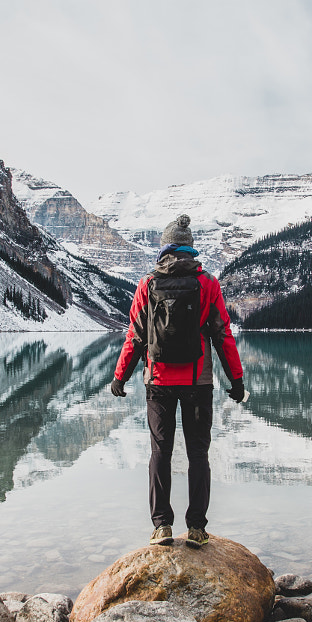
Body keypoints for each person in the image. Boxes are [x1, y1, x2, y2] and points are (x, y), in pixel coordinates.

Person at [110, 214, 245, 549]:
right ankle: (197, 528)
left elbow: (135, 336)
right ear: (190, 247)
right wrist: (236, 379)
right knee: (198, 452)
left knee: (160, 451)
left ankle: (161, 526)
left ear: (165, 247)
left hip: (158, 381)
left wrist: (120, 375)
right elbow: (223, 336)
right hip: (198, 382)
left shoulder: (147, 284)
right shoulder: (208, 284)